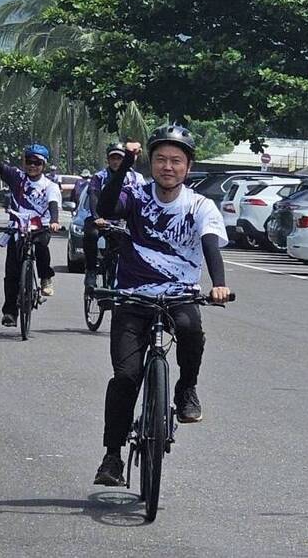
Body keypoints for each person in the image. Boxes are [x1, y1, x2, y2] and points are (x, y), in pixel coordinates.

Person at [92, 124, 230, 487]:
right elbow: (106, 206)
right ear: (151, 163)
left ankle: (185, 388)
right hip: (133, 297)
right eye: (161, 160)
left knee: (190, 329)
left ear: (188, 167)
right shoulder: (136, 195)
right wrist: (125, 166)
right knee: (125, 377)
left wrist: (218, 285)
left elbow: (211, 243)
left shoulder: (200, 206)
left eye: (176, 161)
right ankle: (112, 456)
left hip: (179, 295)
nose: (168, 167)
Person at [0, 135, 62, 325]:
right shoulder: (17, 177)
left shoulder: (49, 185)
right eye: (29, 161)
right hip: (17, 228)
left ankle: (45, 278)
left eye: (37, 163)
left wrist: (54, 221)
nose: (32, 166)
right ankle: (10, 312)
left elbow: (52, 204)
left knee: (42, 246)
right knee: (12, 272)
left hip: (40, 227)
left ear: (43, 165)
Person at [83, 142, 147, 292]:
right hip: (101, 218)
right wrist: (97, 217)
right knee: (90, 234)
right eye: (113, 158)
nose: (116, 162)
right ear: (108, 159)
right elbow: (94, 196)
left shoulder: (137, 178)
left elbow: (143, 200)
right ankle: (91, 271)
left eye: (120, 158)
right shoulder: (99, 177)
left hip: (123, 222)